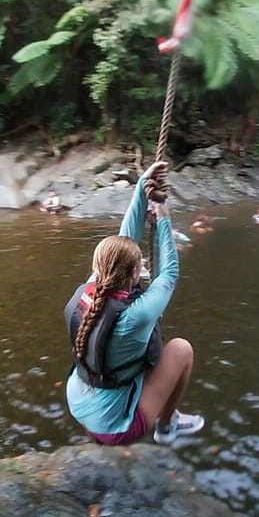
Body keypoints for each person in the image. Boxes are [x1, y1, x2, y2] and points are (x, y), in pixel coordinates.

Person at [64, 161, 204, 446]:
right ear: (133, 273)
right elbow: (170, 273)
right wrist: (163, 216)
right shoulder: (134, 316)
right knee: (180, 350)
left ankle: (97, 435)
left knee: (128, 359)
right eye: (139, 265)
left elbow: (123, 240)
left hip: (77, 402)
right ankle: (167, 425)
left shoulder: (89, 288)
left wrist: (142, 187)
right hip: (114, 425)